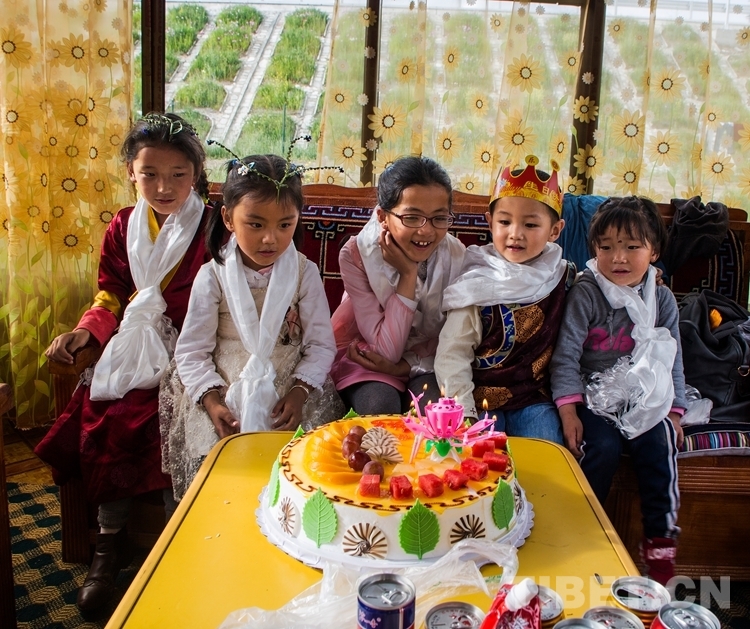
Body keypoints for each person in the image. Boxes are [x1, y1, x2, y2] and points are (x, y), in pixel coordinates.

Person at [34, 112, 213, 614]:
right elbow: (111, 294)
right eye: (149, 174)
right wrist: (86, 332)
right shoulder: (123, 224)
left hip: (193, 349)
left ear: (196, 174)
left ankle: (177, 545)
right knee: (110, 411)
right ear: (131, 172)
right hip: (133, 347)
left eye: (178, 175)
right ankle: (108, 545)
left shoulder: (214, 225)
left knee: (172, 421)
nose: (164, 187)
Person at [159, 154, 344, 501]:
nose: (270, 239)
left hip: (290, 383)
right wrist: (212, 401)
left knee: (303, 474)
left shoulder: (304, 273)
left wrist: (299, 393)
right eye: (256, 225)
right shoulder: (212, 276)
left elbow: (320, 344)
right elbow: (192, 351)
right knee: (218, 476)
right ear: (228, 218)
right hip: (224, 385)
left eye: (285, 225)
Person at [549, 195, 687, 585]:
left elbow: (672, 357)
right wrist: (569, 411)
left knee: (660, 442)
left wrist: (675, 411)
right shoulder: (586, 292)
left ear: (654, 251)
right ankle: (582, 533)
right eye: (606, 247)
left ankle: (660, 545)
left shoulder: (661, 297)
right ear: (594, 249)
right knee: (603, 448)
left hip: (645, 392)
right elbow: (566, 355)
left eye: (632, 247)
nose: (618, 258)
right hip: (594, 395)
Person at [435, 156, 570, 443]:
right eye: (505, 222)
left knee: (546, 455)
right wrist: (464, 414)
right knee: (478, 462)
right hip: (477, 400)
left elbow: (602, 288)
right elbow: (452, 354)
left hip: (533, 400)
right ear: (490, 222)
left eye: (530, 225)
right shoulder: (476, 283)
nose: (515, 234)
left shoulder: (563, 277)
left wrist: (647, 277)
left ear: (555, 230)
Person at [330, 156, 466, 414]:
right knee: (380, 406)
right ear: (383, 216)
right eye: (412, 218)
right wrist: (408, 274)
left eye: (438, 218)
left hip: (430, 359)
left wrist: (406, 365)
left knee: (436, 412)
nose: (426, 231)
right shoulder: (357, 255)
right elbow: (387, 351)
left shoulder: (457, 257)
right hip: (370, 357)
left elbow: (453, 341)